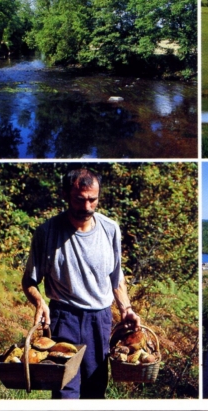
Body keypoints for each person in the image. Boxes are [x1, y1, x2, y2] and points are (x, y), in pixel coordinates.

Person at [22, 168, 140, 399]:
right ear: (65, 195)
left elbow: (116, 277)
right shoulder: (47, 232)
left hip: (100, 319)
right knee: (66, 390)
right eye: (79, 199)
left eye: (92, 200)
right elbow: (29, 281)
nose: (86, 207)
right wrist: (39, 302)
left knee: (95, 389)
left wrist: (126, 309)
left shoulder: (110, 229)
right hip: (64, 318)